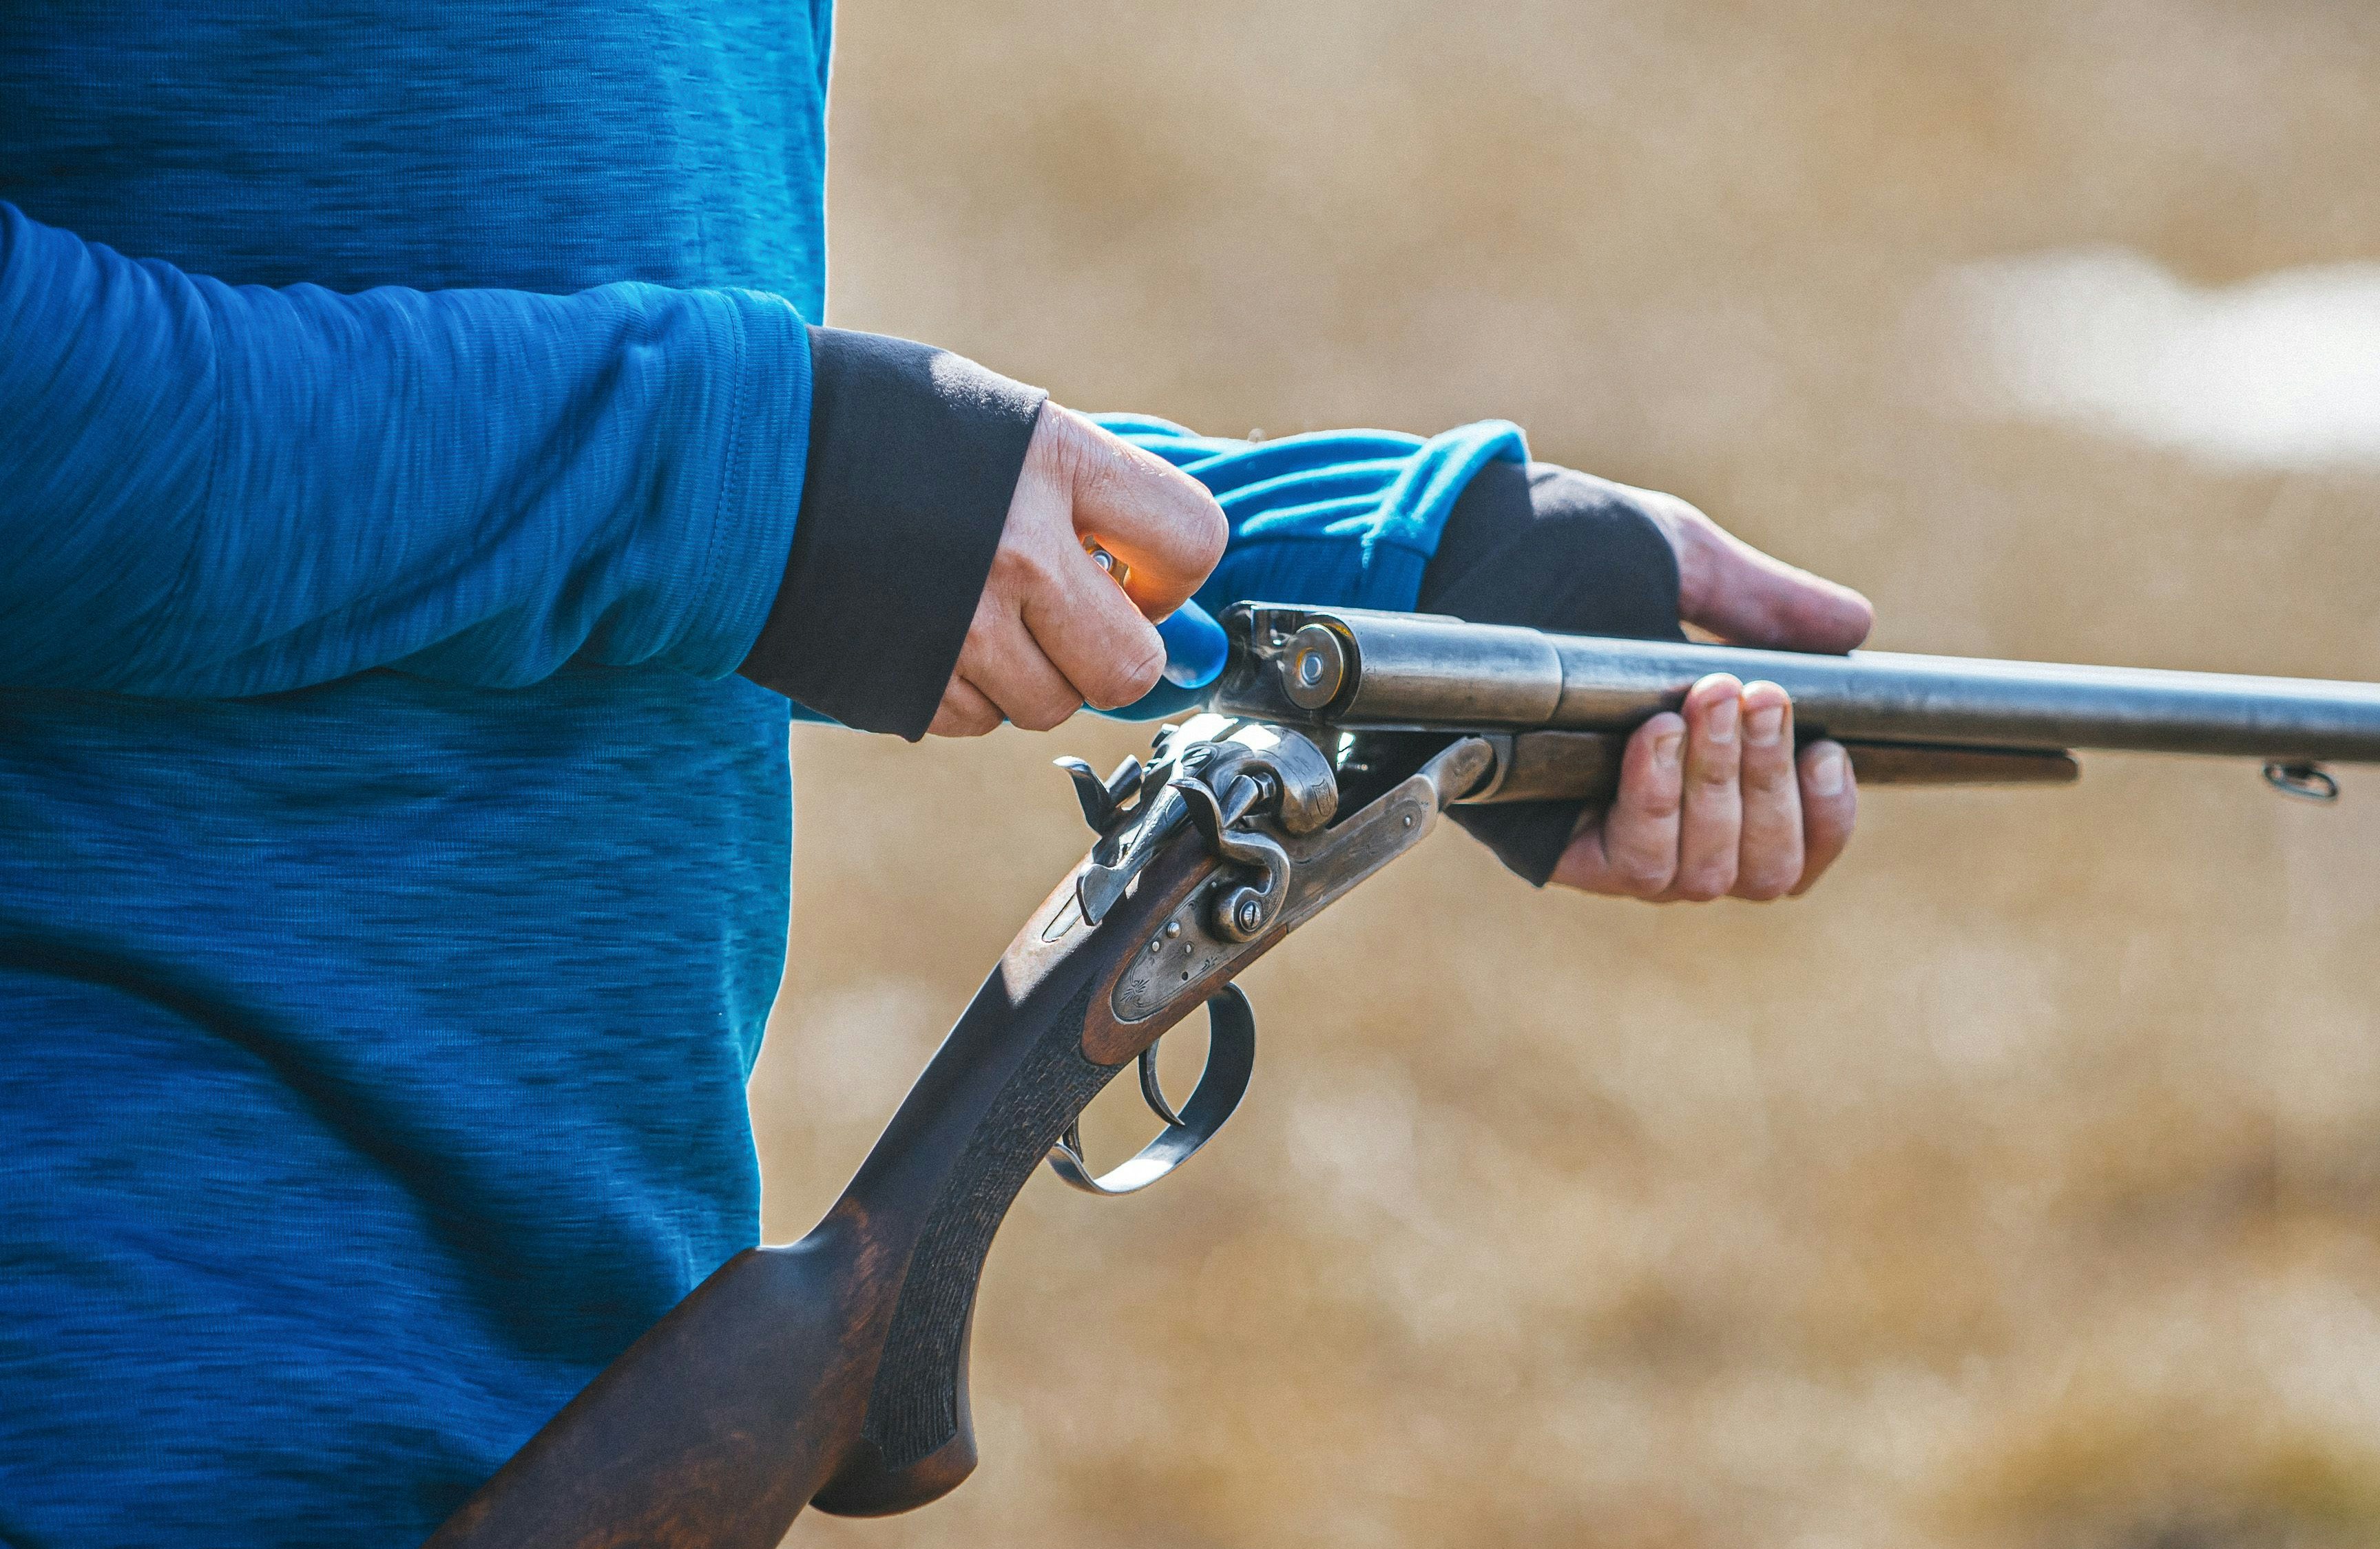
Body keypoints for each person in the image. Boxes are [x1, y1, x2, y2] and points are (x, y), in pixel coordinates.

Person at [0, 6, 1868, 1544]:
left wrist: (1404, 578)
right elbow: (699, 465)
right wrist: (763, 485)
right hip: (122, 1386)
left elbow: (587, 418)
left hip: (571, 1416)